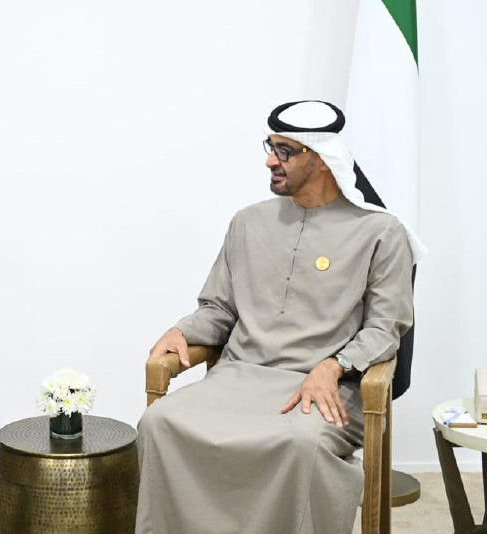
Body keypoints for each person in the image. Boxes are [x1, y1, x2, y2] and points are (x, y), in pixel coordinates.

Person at [135, 101, 424, 534]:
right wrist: (182, 330)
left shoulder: (381, 233)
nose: (271, 160)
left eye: (285, 151)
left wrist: (334, 365)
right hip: (240, 376)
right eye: (270, 147)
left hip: (325, 387)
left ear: (322, 159)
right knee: (159, 423)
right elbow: (219, 308)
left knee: (301, 444)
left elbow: (386, 328)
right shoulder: (247, 223)